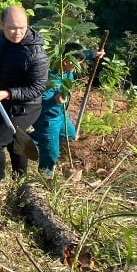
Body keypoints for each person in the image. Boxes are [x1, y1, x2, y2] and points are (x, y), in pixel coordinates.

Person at [0, 5, 48, 182]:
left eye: (22, 27)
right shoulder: (1, 40)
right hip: (7, 102)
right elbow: (3, 64)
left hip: (27, 107)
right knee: (16, 143)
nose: (17, 32)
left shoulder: (36, 54)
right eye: (12, 27)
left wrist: (7, 93)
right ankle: (20, 181)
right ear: (2, 25)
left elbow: (37, 88)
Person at [29, 42, 104, 177]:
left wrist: (93, 54)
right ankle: (45, 175)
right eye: (76, 63)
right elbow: (35, 104)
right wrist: (54, 100)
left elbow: (81, 55)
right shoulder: (46, 76)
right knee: (52, 152)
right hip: (47, 118)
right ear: (65, 61)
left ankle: (30, 139)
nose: (78, 66)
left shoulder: (68, 67)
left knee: (70, 136)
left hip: (61, 114)